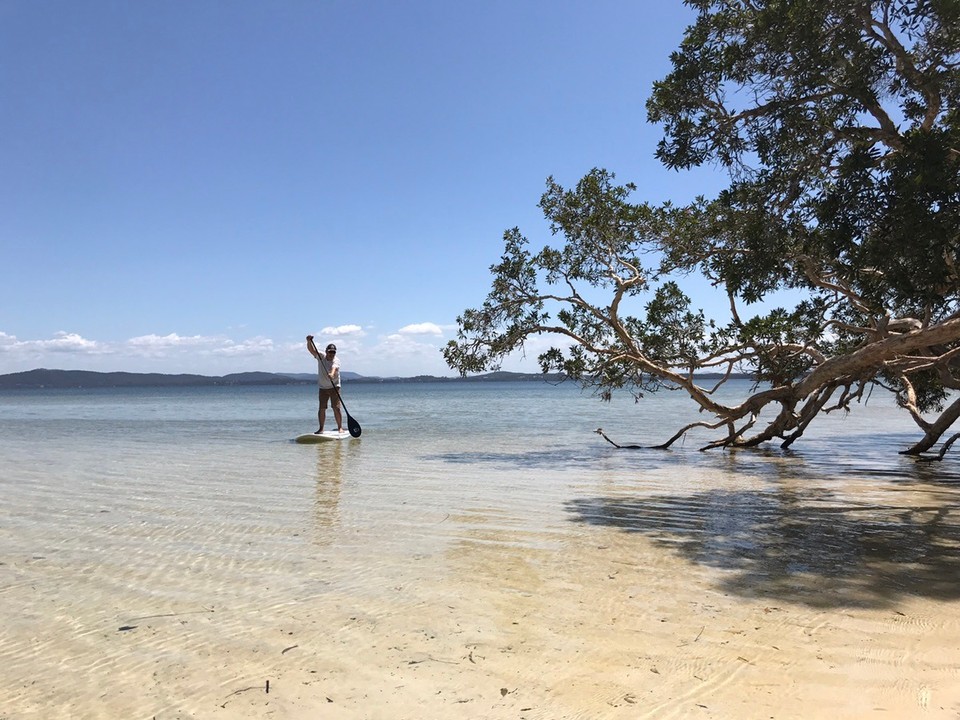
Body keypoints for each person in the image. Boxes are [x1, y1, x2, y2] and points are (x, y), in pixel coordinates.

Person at [306, 335, 343, 434]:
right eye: (330, 352)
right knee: (322, 408)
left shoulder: (336, 360)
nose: (332, 354)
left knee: (336, 407)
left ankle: (340, 427)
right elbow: (311, 350)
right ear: (326, 351)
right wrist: (309, 341)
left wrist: (331, 374)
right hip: (322, 388)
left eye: (333, 352)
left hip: (334, 387)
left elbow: (334, 369)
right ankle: (321, 429)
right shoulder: (321, 356)